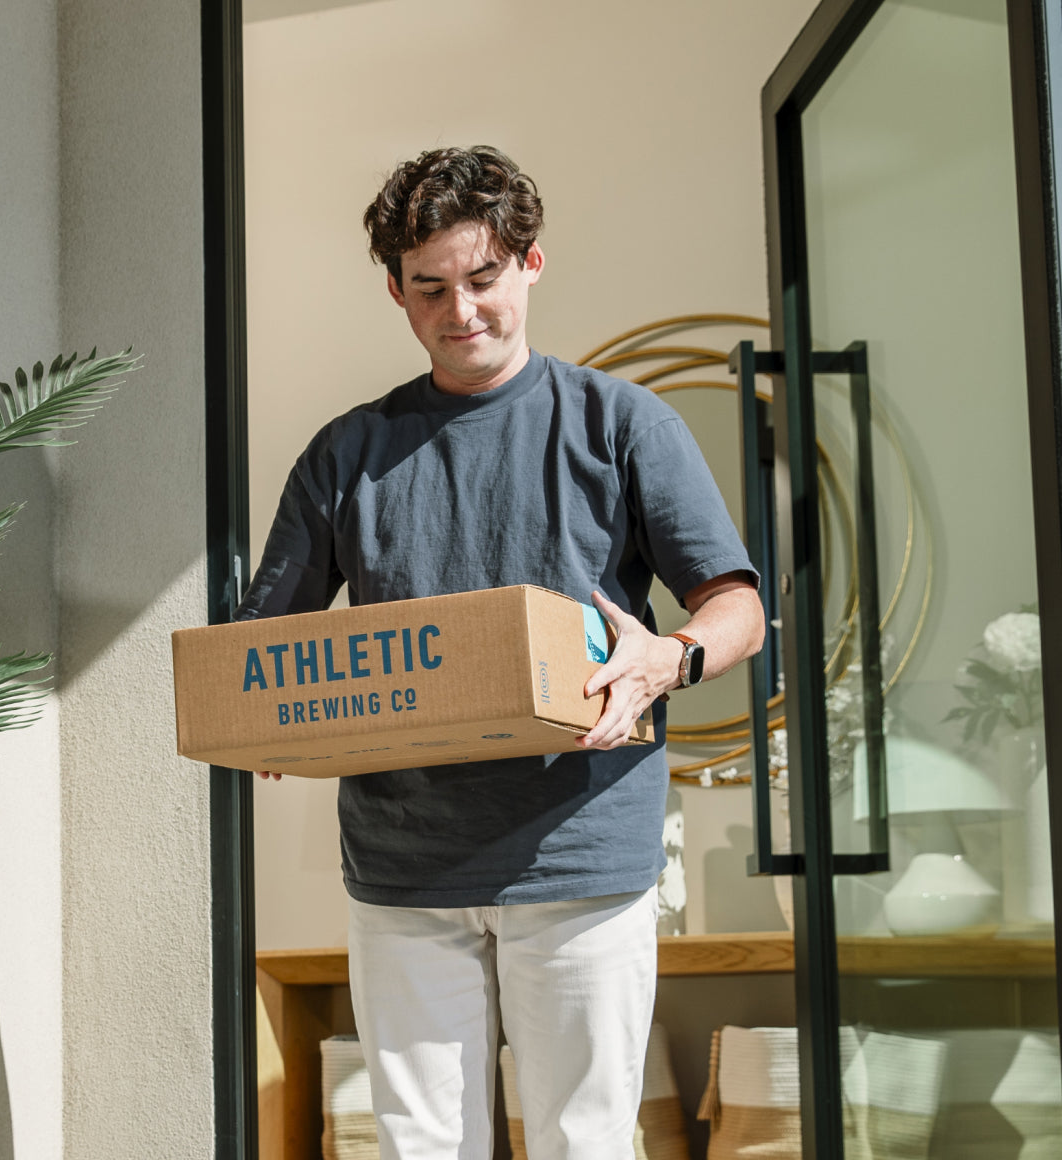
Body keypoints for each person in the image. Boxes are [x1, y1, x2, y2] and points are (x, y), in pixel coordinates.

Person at [238, 146, 765, 1160]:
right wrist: (270, 718)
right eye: (430, 288)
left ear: (530, 263)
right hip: (403, 866)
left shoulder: (621, 424)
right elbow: (267, 647)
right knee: (417, 1145)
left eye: (482, 278)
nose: (461, 310)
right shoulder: (346, 454)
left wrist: (669, 658)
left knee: (583, 1141)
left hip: (579, 850)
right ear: (395, 290)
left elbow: (735, 606)